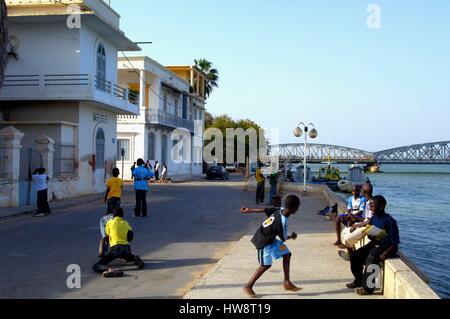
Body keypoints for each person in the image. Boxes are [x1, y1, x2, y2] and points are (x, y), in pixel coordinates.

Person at [240, 195, 302, 298]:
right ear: (293, 209)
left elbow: (265, 209)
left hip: (271, 239)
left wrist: (249, 210)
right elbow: (284, 238)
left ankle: (287, 282)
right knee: (265, 265)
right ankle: (248, 286)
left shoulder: (280, 209)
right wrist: (292, 236)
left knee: (287, 254)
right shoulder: (283, 222)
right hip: (263, 242)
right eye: (298, 207)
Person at [347, 195, 400, 295]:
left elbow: (395, 243)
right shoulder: (374, 218)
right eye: (369, 206)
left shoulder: (390, 221)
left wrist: (387, 252)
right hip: (375, 243)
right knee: (354, 255)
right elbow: (371, 232)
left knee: (371, 258)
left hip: (386, 247)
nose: (370, 208)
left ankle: (368, 288)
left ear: (381, 207)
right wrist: (371, 236)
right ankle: (358, 280)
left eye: (372, 206)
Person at [93, 208, 145, 277]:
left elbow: (107, 235)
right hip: (127, 249)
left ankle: (109, 271)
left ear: (113, 216)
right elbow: (130, 237)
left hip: (115, 248)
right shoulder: (126, 223)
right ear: (122, 215)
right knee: (126, 257)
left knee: (97, 266)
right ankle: (134, 258)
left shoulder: (110, 222)